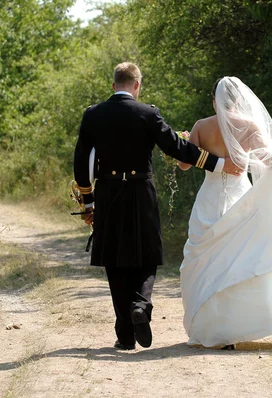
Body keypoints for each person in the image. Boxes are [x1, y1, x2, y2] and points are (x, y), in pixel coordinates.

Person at [73, 63, 241, 351]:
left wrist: (88, 202)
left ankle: (125, 335)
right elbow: (178, 147)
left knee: (115, 262)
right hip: (141, 192)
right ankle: (140, 304)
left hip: (108, 194)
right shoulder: (148, 113)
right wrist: (219, 163)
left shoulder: (93, 115)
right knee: (147, 255)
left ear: (114, 86)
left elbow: (81, 163)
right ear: (137, 85)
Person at [178, 77, 272, 349]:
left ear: (214, 100)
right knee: (243, 259)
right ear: (238, 101)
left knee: (207, 261)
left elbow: (184, 165)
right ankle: (237, 326)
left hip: (209, 201)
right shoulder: (248, 126)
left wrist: (186, 143)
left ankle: (217, 329)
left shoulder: (201, 126)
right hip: (241, 199)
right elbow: (270, 160)